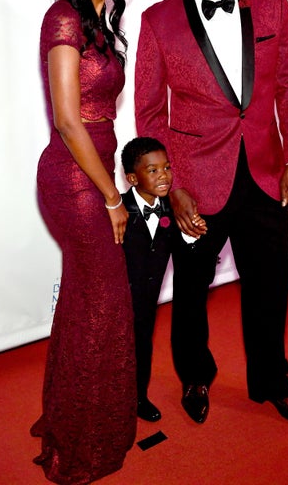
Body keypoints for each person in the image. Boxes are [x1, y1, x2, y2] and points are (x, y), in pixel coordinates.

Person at [135, 0, 288, 429]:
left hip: (265, 172)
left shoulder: (271, 1)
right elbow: (149, 114)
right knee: (191, 289)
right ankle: (195, 376)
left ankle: (274, 382)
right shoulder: (158, 21)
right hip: (195, 181)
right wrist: (173, 186)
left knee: (272, 285)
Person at [31, 0, 137, 484]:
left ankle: (70, 413)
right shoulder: (64, 18)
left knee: (85, 298)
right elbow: (70, 122)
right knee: (103, 301)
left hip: (93, 174)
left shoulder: (100, 17)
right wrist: (114, 199)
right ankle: (82, 436)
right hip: (75, 180)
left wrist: (112, 189)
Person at [121, 137, 205, 422]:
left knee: (143, 345)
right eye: (153, 170)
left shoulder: (171, 208)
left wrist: (191, 234)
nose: (164, 176)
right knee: (116, 351)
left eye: (167, 168)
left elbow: (184, 251)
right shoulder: (119, 210)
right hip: (119, 300)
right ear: (133, 178)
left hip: (147, 301)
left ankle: (138, 398)